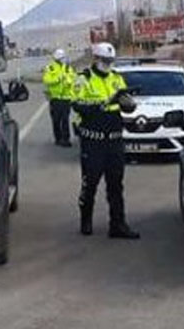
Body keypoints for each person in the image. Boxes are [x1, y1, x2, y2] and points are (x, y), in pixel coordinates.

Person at [71, 42, 140, 239]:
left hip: (115, 141)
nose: (107, 64)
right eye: (104, 61)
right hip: (94, 141)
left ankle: (118, 225)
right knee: (90, 183)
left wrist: (129, 104)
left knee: (116, 185)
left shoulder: (117, 78)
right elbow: (77, 105)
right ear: (95, 59)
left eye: (110, 61)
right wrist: (103, 103)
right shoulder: (83, 79)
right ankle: (86, 220)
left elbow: (126, 104)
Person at [42, 48, 76, 147]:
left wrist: (69, 81)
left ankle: (66, 139)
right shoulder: (50, 68)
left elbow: (72, 78)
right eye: (61, 58)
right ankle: (58, 138)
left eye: (64, 58)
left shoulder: (67, 68)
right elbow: (47, 80)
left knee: (65, 119)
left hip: (66, 98)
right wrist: (58, 79)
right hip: (55, 98)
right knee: (56, 120)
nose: (63, 60)